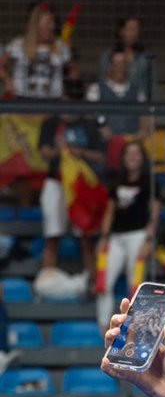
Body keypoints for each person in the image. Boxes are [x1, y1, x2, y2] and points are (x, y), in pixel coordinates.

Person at [95, 139, 159, 331]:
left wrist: (148, 239)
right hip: (115, 237)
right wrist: (104, 238)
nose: (132, 157)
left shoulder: (150, 182)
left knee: (136, 284)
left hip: (138, 236)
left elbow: (154, 214)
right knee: (103, 283)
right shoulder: (116, 182)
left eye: (136, 153)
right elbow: (109, 211)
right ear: (123, 158)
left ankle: (133, 329)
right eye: (128, 153)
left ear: (142, 158)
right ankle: (104, 328)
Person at [38, 104, 106, 274]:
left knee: (86, 236)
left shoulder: (88, 125)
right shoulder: (51, 123)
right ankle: (47, 282)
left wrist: (79, 152)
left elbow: (100, 156)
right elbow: (44, 153)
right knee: (53, 235)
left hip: (81, 186)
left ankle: (91, 284)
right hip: (56, 183)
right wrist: (59, 150)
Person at [0, 4, 70, 99]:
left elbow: (72, 72)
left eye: (53, 22)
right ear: (36, 25)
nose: (52, 26)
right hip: (23, 101)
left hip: (53, 103)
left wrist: (67, 94)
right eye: (48, 22)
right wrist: (8, 81)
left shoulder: (60, 46)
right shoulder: (19, 44)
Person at [86, 48, 149, 141]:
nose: (119, 67)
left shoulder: (137, 90)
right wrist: (102, 127)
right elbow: (92, 113)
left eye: (123, 63)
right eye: (116, 63)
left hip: (132, 143)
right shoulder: (95, 88)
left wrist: (143, 131)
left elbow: (144, 114)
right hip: (105, 144)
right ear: (109, 65)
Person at [97, 16, 151, 101]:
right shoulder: (107, 56)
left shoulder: (146, 58)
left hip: (138, 107)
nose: (134, 34)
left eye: (136, 29)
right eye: (130, 29)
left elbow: (151, 87)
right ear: (121, 31)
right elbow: (103, 82)